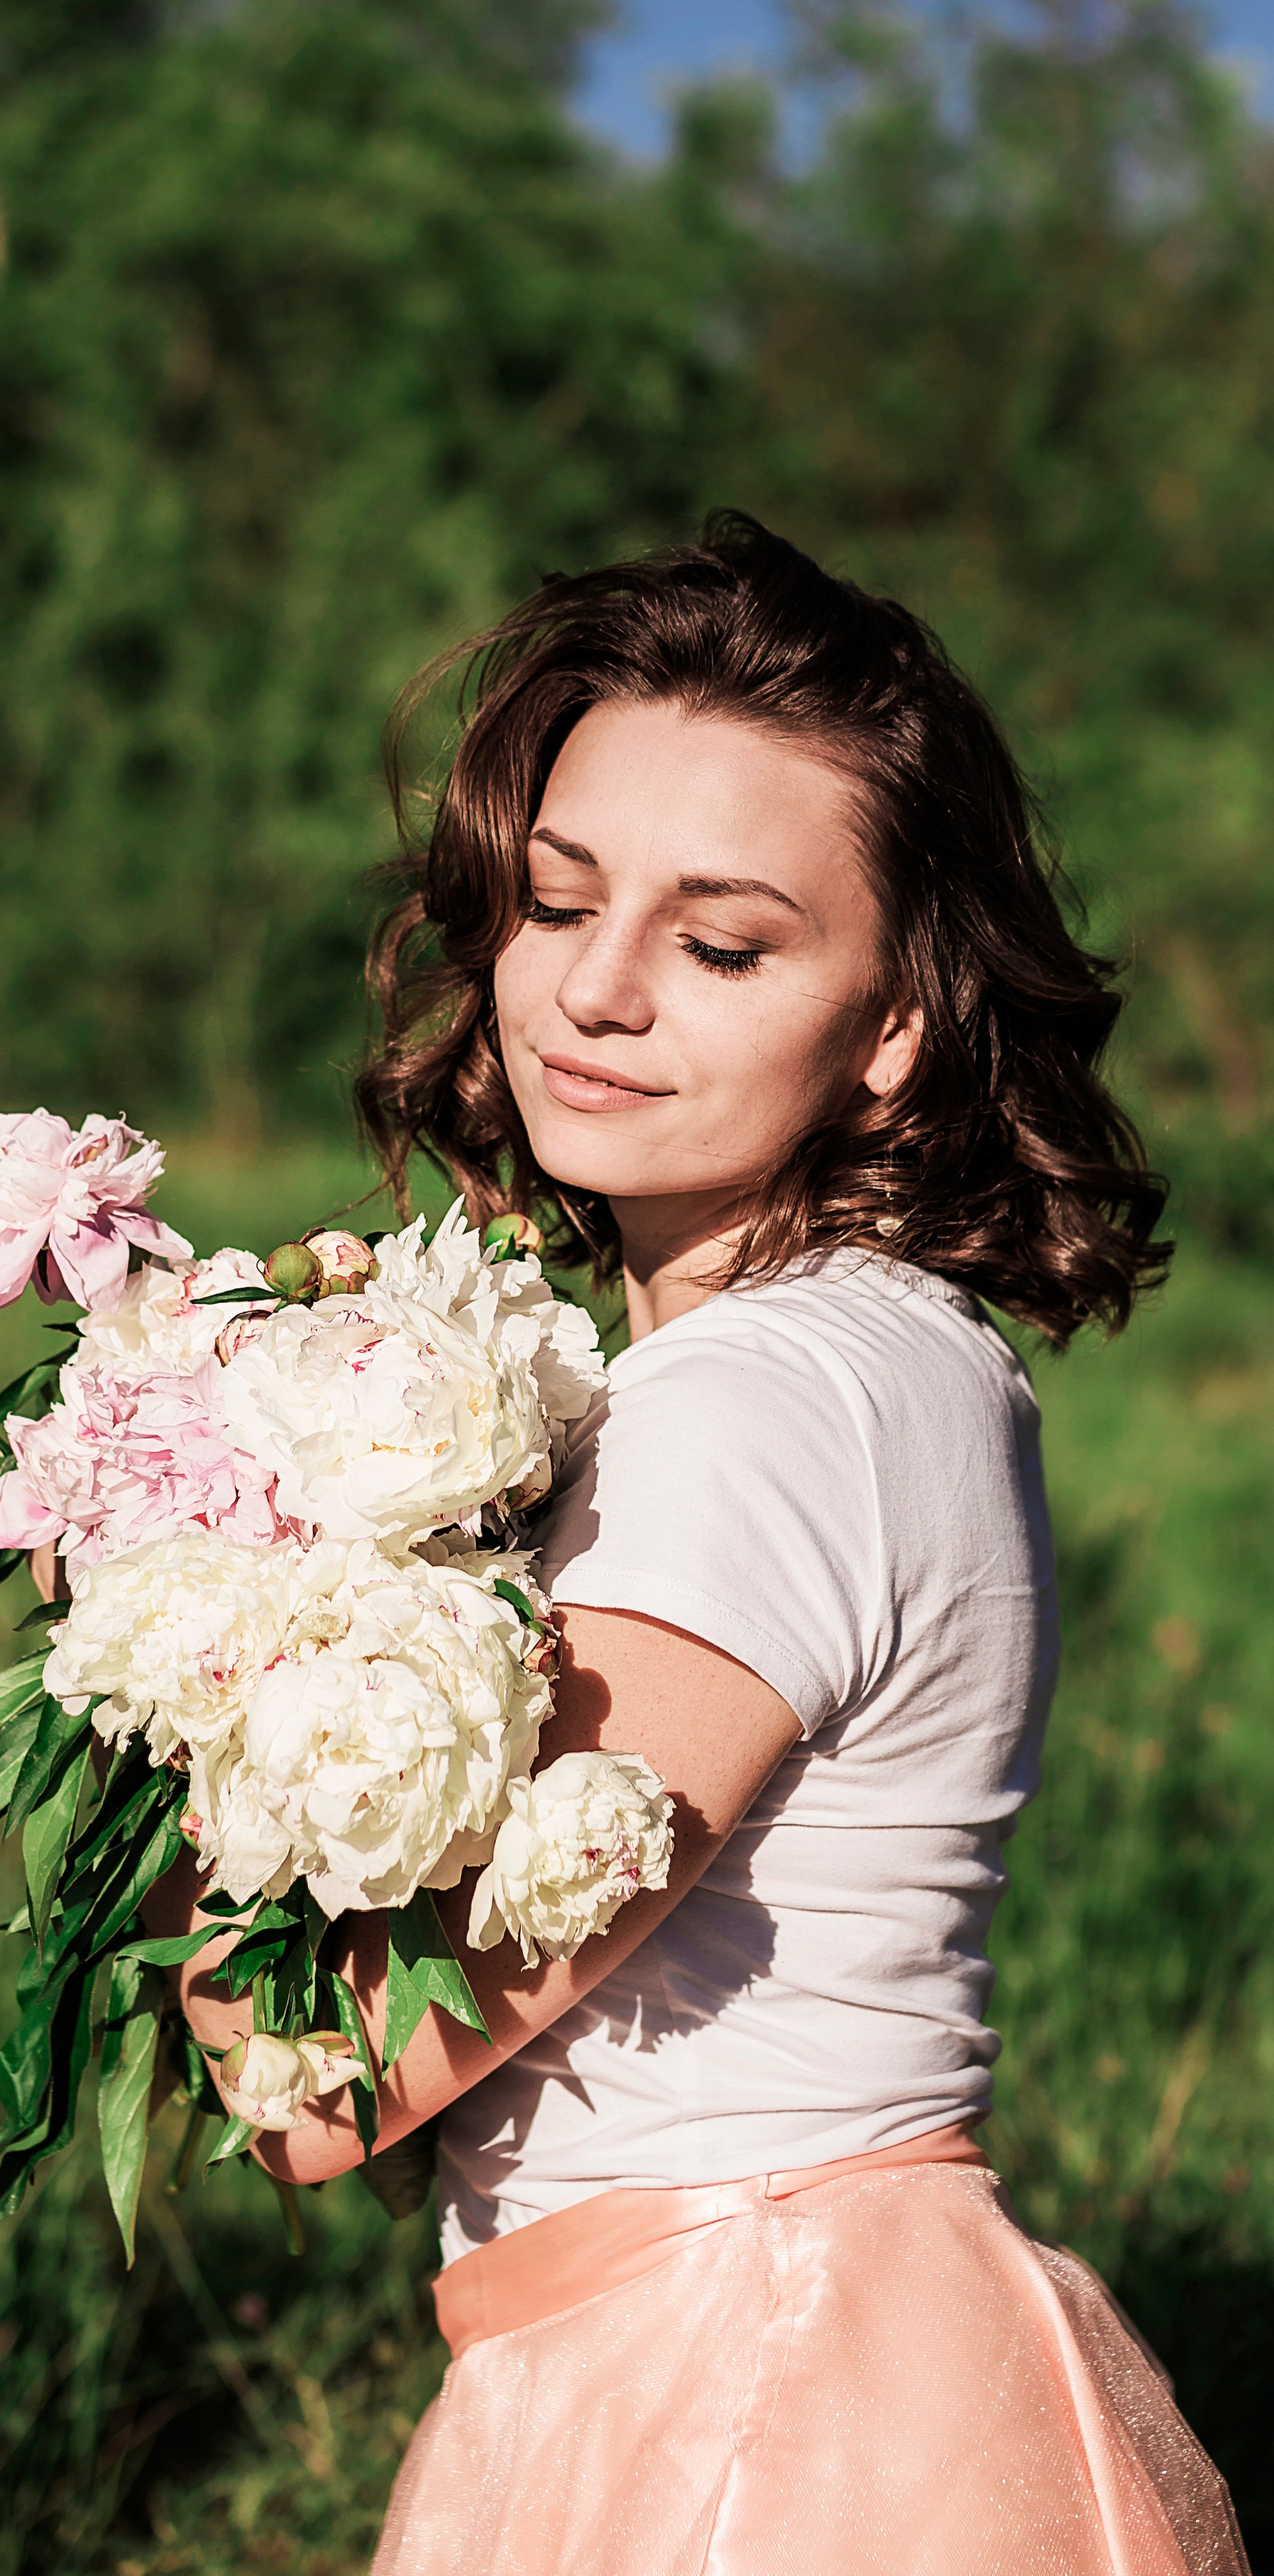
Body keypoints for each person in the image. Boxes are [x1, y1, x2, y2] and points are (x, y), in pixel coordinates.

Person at [159, 516, 1248, 2573]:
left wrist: (168, 1630)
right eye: (559, 898)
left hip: (754, 2413)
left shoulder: (768, 1401)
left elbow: (331, 2080)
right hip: (784, 2336)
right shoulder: (890, 1353)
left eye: (722, 943)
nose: (597, 984)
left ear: (896, 1022)